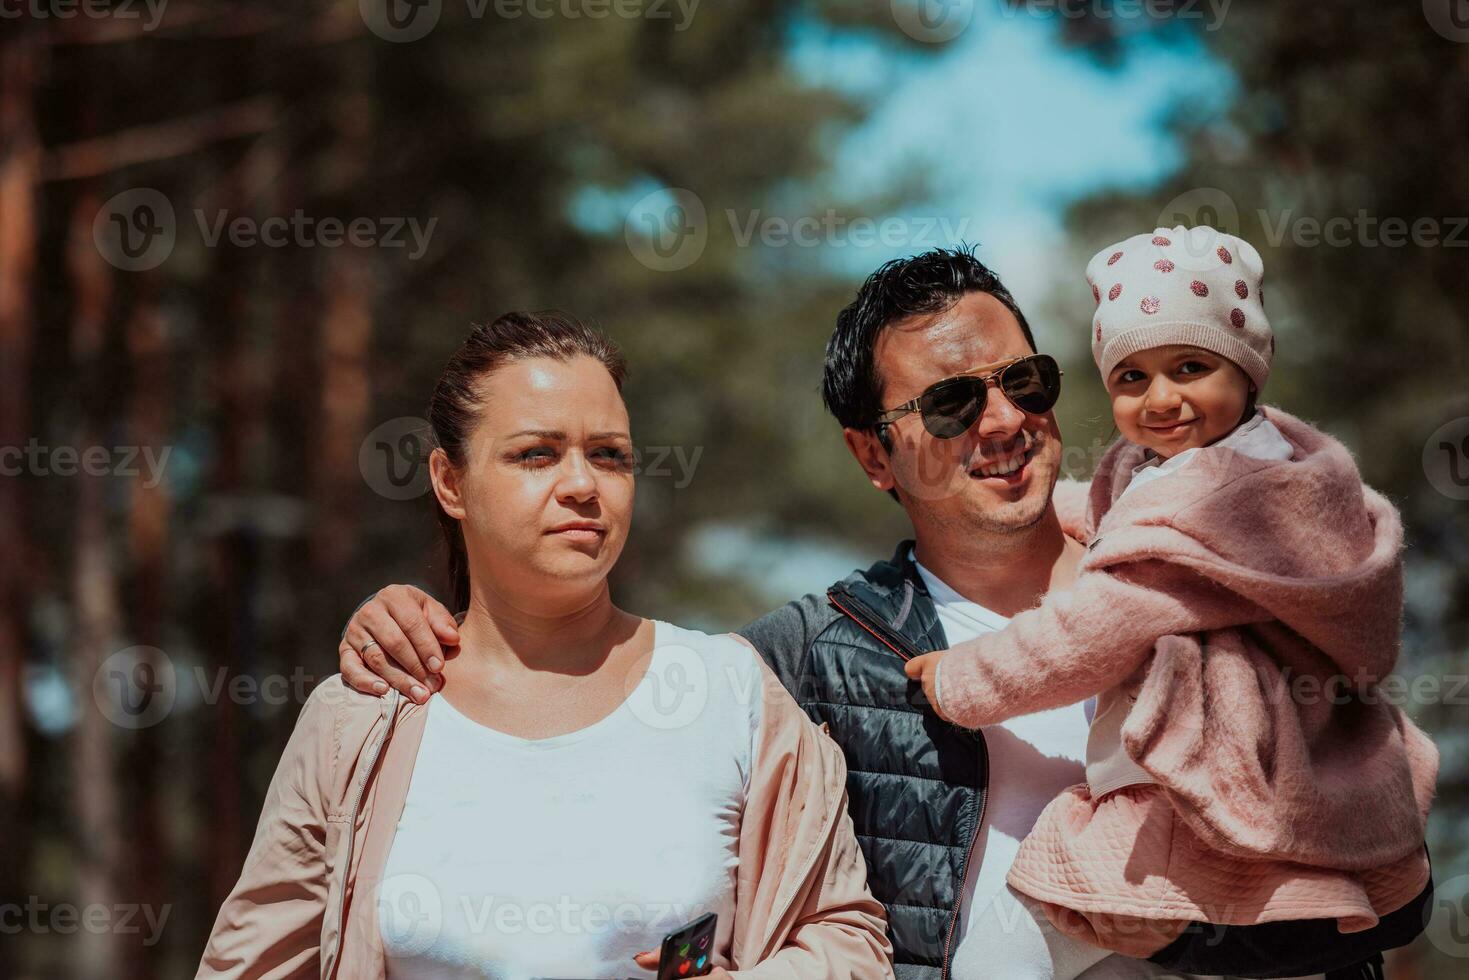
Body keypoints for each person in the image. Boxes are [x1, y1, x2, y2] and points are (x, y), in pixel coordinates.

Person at [339, 248, 1177, 980]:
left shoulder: (1197, 592)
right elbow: (610, 776)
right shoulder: (800, 660)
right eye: (951, 405)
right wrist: (415, 620)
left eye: (1024, 382)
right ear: (870, 454)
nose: (1004, 420)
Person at [196, 312, 893, 979]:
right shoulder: (364, 716)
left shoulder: (730, 692)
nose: (583, 485)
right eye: (536, 454)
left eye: (609, 456)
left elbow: (847, 940)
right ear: (449, 481)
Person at [906, 228, 1438, 969]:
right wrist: (1041, 511)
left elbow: (1090, 631)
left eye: (1189, 367)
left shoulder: (1218, 499)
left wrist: (960, 680)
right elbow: (1120, 517)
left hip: (1202, 789)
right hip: (1272, 774)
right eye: (1131, 378)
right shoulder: (1246, 467)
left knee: (1010, 945)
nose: (1160, 399)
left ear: (1248, 371)